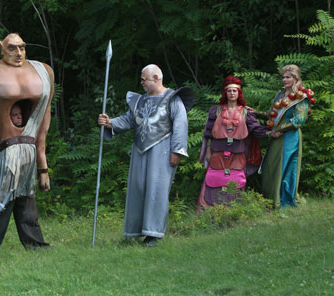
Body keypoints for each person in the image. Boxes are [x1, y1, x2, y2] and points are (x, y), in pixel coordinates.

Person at [0, 33, 53, 254]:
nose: (18, 53)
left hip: (29, 152)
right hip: (4, 153)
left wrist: (42, 168)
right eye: (12, 48)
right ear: (1, 48)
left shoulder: (43, 72)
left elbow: (43, 126)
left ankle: (35, 245)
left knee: (27, 201)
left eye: (22, 48)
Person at [97, 64, 193, 246]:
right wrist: (110, 123)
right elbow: (129, 120)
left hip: (162, 149)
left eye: (144, 79)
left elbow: (181, 125)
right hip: (139, 149)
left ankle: (153, 234)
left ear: (156, 78)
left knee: (157, 190)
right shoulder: (140, 100)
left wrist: (177, 151)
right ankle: (136, 231)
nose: (141, 82)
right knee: (138, 188)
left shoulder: (172, 99)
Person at [196, 76, 275, 209]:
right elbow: (208, 133)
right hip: (217, 152)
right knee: (214, 177)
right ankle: (208, 209)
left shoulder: (245, 112)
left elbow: (256, 130)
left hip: (238, 153)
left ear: (239, 93)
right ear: (225, 93)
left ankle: (234, 209)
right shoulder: (216, 111)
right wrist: (208, 150)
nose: (232, 93)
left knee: (236, 178)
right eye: (229, 91)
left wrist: (271, 131)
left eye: (234, 91)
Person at [260, 65, 313, 208]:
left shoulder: (301, 97)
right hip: (277, 135)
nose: (284, 80)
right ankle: (269, 199)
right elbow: (271, 115)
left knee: (285, 166)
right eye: (283, 77)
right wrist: (254, 112)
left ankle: (282, 199)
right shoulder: (280, 95)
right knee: (271, 166)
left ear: (296, 78)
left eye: (288, 77)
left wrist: (279, 129)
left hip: (290, 136)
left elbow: (299, 121)